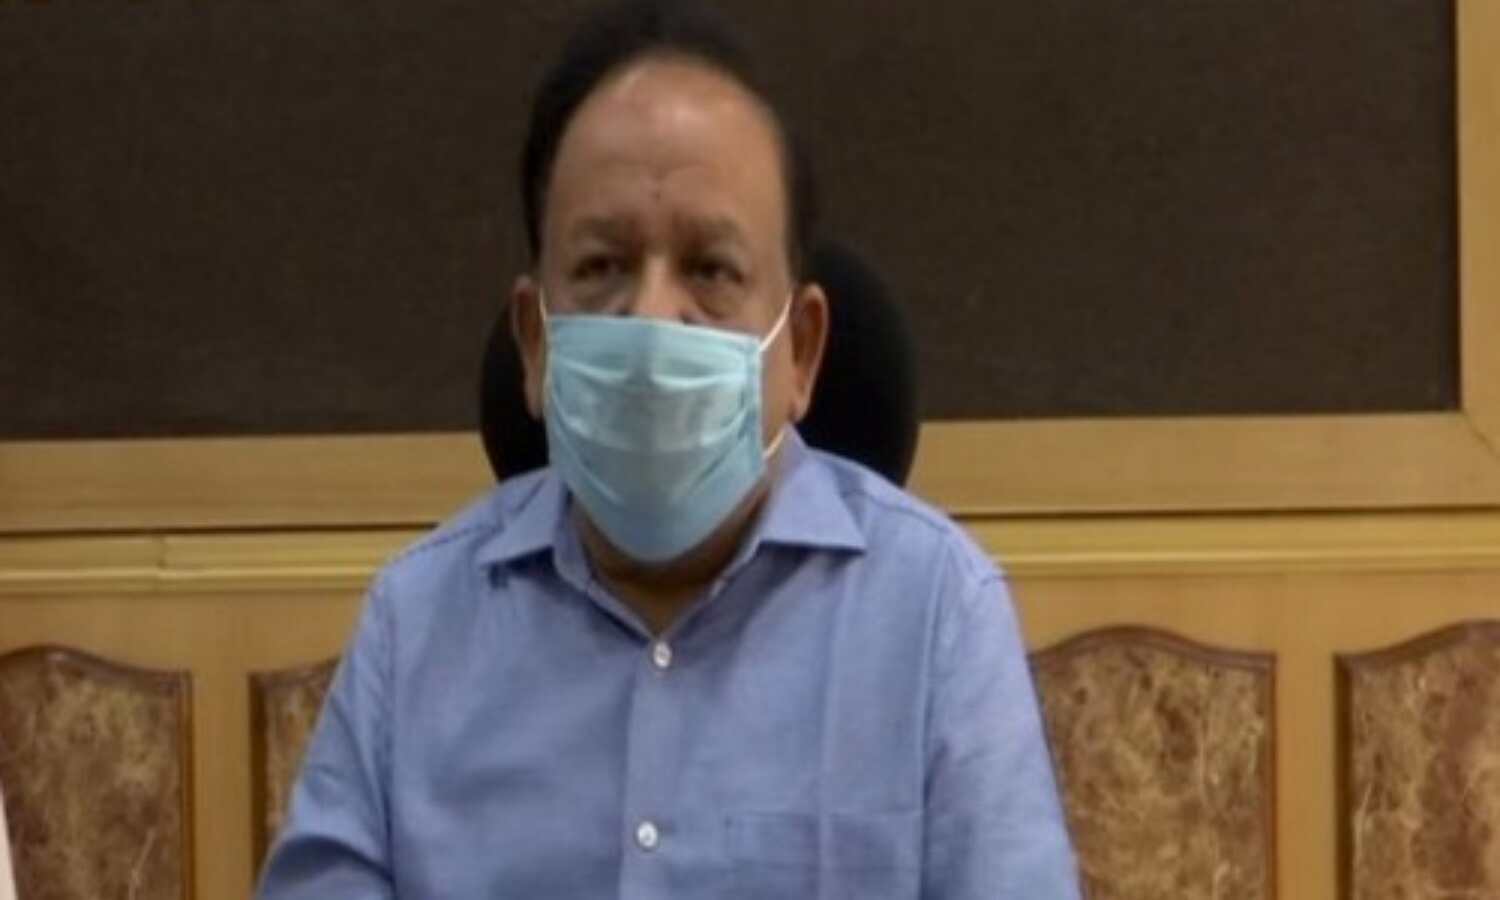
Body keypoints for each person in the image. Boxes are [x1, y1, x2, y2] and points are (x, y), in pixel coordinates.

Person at [256, 1, 1080, 897]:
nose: (652, 320)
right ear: (534, 342)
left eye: (710, 269)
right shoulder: (415, 626)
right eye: (603, 266)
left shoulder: (936, 615)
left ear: (802, 351)